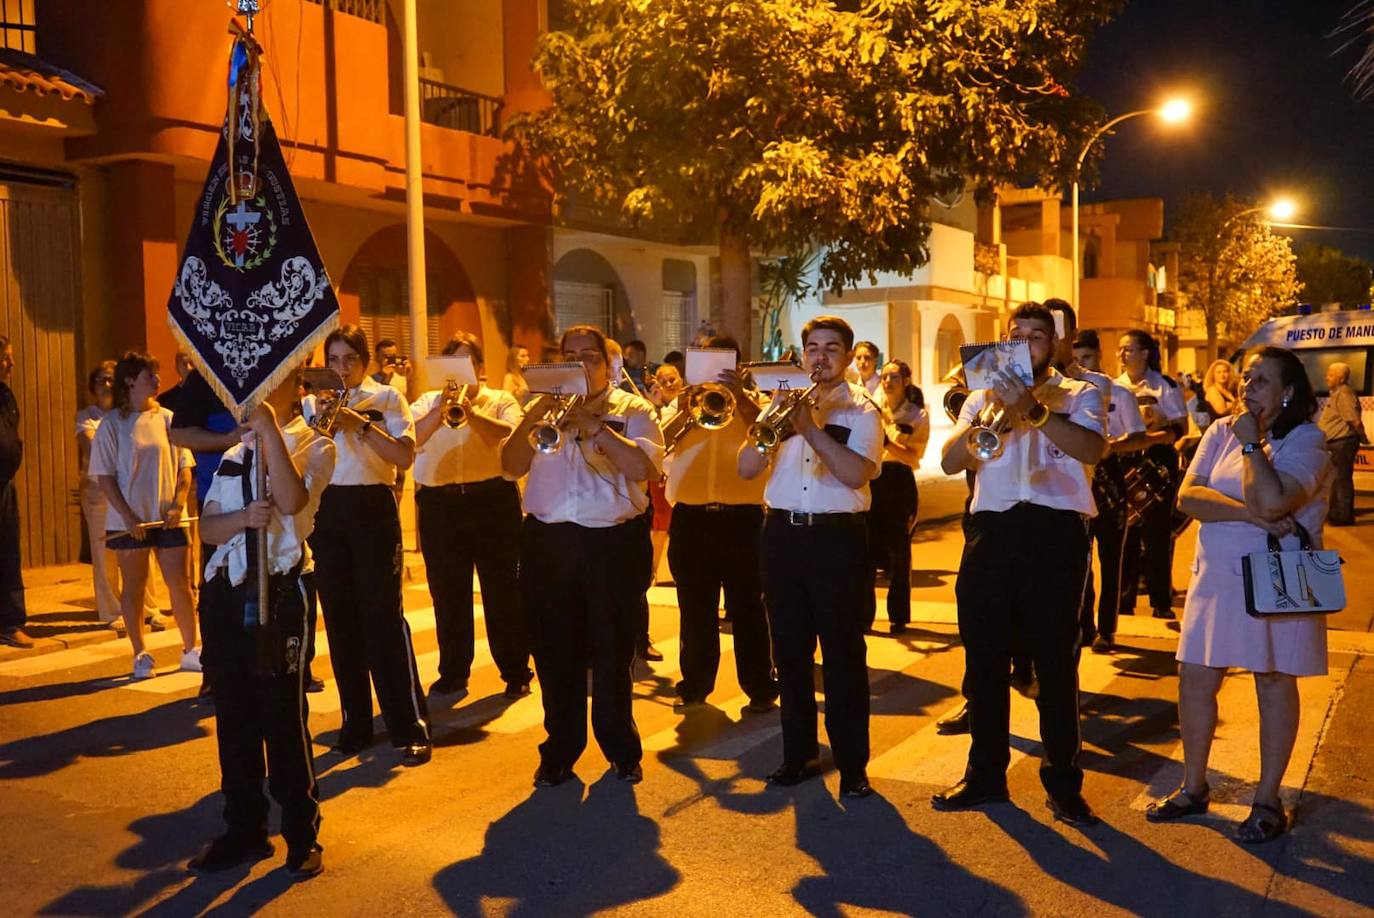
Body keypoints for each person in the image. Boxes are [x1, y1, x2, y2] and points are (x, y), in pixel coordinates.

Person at [1146, 346, 1331, 844]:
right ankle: (1192, 787)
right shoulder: (1220, 430)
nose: (1247, 387)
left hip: (1277, 578)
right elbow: (1189, 496)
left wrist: (1253, 449)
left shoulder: (1307, 440)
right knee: (1195, 677)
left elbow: (1275, 498)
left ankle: (1268, 800)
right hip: (1217, 576)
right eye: (1246, 378)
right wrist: (1251, 515)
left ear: (1288, 391)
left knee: (1272, 680)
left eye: (1261, 380)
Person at [933, 302, 1106, 826]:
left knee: (1056, 663)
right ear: (1004, 341)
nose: (1027, 342)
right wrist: (991, 419)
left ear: (1052, 344)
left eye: (1037, 336)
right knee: (983, 659)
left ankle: (1063, 782)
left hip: (1055, 532)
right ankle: (985, 774)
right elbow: (949, 461)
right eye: (1018, 334)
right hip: (992, 530)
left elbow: (1092, 449)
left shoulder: (1080, 393)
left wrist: (1031, 409)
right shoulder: (981, 395)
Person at [501, 324, 664, 787]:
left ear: (607, 364)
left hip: (612, 543)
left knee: (613, 651)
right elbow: (510, 465)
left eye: (587, 357)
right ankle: (559, 750)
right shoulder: (540, 410)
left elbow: (645, 468)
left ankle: (621, 748)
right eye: (567, 357)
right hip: (548, 541)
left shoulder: (632, 409)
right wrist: (534, 413)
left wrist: (595, 428)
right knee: (553, 652)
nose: (577, 365)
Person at [189, 373, 335, 878]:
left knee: (282, 716)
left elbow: (293, 503)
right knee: (234, 716)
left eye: (265, 387)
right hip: (226, 593)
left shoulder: (316, 445)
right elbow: (207, 526)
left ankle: (301, 833)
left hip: (279, 589)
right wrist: (242, 520)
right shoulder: (235, 453)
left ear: (291, 387)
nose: (249, 397)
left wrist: (271, 430)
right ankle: (244, 829)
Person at [738, 315, 883, 799]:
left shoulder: (862, 411)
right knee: (790, 656)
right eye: (813, 348)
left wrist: (810, 428)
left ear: (846, 355)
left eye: (831, 349)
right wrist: (773, 420)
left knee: (843, 656)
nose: (820, 358)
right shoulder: (778, 406)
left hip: (837, 540)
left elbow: (856, 475)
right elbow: (746, 467)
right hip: (781, 534)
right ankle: (797, 754)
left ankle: (853, 765)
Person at [306, 325, 431, 767]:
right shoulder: (311, 402)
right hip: (328, 511)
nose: (342, 370)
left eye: (350, 361)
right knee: (340, 621)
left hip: (372, 506)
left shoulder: (386, 398)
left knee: (382, 618)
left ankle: (409, 726)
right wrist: (319, 420)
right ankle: (354, 725)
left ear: (364, 361)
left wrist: (358, 424)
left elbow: (403, 457)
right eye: (334, 361)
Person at [662, 334, 777, 711]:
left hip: (742, 520)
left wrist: (739, 397)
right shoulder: (683, 405)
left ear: (737, 366)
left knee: (749, 609)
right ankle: (695, 683)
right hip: (691, 517)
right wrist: (685, 406)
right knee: (695, 608)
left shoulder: (756, 405)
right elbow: (660, 442)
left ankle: (760, 686)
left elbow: (768, 438)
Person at [412, 332, 531, 698]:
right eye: (451, 365)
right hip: (439, 505)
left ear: (479, 368)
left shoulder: (500, 399)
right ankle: (453, 671)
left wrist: (471, 411)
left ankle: (514, 669)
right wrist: (439, 410)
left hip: (491, 501)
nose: (459, 374)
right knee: (448, 593)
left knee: (503, 591)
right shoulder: (426, 402)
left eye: (467, 364)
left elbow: (509, 435)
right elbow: (410, 439)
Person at [89, 352, 201, 678]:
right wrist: (127, 516)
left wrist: (178, 504)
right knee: (135, 587)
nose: (157, 380)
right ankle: (140, 653)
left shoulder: (168, 418)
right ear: (130, 381)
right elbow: (105, 477)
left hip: (167, 516)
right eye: (150, 375)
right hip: (131, 521)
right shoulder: (112, 424)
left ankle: (190, 649)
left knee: (180, 584)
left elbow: (184, 467)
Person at [1071, 330, 1147, 653]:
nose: (1079, 367)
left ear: (1098, 356)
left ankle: (1107, 629)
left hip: (1112, 477)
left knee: (1111, 558)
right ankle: (1085, 625)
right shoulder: (1069, 393)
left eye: (1085, 359)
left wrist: (1111, 446)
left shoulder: (1119, 393)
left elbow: (1140, 437)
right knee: (1080, 558)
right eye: (1074, 360)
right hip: (1081, 476)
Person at [76, 362, 161, 633]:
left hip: (131, 492)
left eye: (112, 379)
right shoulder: (87, 416)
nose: (107, 385)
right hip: (100, 493)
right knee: (105, 553)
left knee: (141, 549)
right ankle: (112, 610)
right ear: (93, 384)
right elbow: (93, 447)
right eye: (102, 380)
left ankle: (149, 607)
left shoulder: (127, 415)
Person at [1116, 330, 1188, 620]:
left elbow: (1181, 427)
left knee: (1157, 535)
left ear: (1145, 353)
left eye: (1128, 349)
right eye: (1120, 350)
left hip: (1157, 464)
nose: (1122, 355)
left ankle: (1160, 601)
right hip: (1124, 463)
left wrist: (1153, 439)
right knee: (1126, 535)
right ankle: (1124, 601)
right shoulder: (1114, 387)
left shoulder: (1164, 386)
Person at [863, 359, 928, 634]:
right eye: (885, 376)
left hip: (899, 481)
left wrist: (888, 443)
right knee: (865, 552)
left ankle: (898, 615)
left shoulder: (916, 416)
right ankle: (863, 615)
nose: (887, 381)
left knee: (899, 554)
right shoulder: (870, 409)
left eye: (894, 377)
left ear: (905, 383)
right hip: (873, 479)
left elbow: (914, 458)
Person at [0, 336, 30, 649]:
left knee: (8, 552)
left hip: (5, 485)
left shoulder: (6, 395)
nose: (11, 364)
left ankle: (10, 622)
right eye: (6, 358)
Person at [1319, 361, 1365, 526]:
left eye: (1330, 375)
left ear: (1340, 378)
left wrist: (1364, 438)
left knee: (1342, 479)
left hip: (1342, 443)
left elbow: (1355, 421)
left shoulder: (1344, 394)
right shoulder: (1337, 393)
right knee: (1336, 479)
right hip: (1336, 442)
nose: (1326, 377)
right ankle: (1335, 513)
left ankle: (1343, 516)